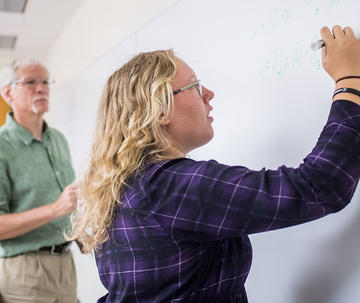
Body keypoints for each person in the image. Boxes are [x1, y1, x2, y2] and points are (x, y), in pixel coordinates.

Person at [69, 25, 360, 302]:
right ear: (160, 109)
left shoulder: (124, 186)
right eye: (195, 86)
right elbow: (320, 185)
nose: (208, 94)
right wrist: (350, 81)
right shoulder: (172, 187)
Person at [0, 58, 78, 302]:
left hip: (66, 265)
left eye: (45, 82)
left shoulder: (59, 140)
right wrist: (56, 209)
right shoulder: (2, 147)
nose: (41, 88)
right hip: (24, 271)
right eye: (31, 82)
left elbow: (69, 204)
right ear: (8, 92)